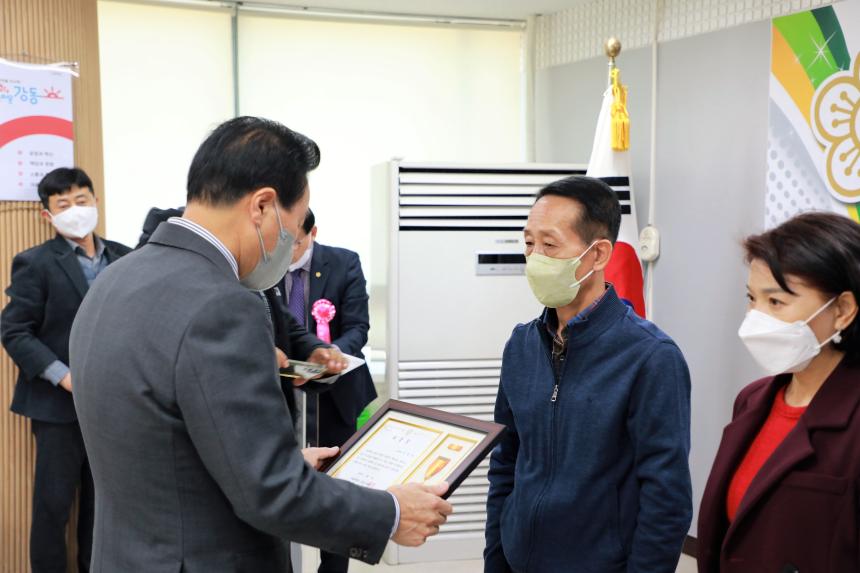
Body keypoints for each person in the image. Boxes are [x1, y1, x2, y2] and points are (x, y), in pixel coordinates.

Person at [69, 117, 452, 572]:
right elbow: (271, 492)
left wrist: (285, 461)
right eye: (292, 227)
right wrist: (391, 512)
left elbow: (164, 445)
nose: (288, 247)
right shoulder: (223, 304)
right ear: (263, 206)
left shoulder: (115, 278)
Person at [484, 176, 692, 573]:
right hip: (519, 558)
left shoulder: (650, 356)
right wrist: (496, 560)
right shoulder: (521, 344)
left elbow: (667, 496)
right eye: (529, 243)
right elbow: (505, 463)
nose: (535, 258)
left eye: (550, 245)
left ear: (598, 254)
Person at [697, 212, 860, 573]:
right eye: (752, 298)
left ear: (843, 311)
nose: (755, 318)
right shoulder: (752, 399)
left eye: (776, 302)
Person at [0, 167, 131, 573]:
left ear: (95, 201)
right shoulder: (35, 262)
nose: (75, 210)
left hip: (114, 406)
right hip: (57, 407)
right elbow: (14, 330)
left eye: (81, 200)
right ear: (48, 215)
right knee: (53, 506)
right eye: (63, 204)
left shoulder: (126, 257)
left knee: (104, 505)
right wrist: (64, 376)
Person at [283, 208, 378, 573]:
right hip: (284, 393)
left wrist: (332, 355)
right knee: (284, 486)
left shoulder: (343, 263)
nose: (288, 251)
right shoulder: (264, 267)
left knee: (337, 489)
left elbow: (358, 327)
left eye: (296, 243)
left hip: (336, 395)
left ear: (313, 233)